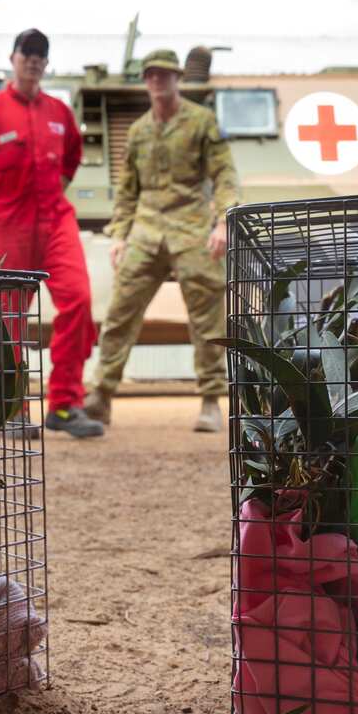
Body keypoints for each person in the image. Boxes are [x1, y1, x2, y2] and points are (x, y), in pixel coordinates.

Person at [0, 28, 104, 438]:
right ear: (13, 58)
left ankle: (66, 406)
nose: (34, 59)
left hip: (55, 219)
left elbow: (70, 161)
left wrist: (48, 197)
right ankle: (12, 408)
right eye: (27, 51)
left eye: (41, 53)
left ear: (46, 63)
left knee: (79, 300)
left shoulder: (60, 113)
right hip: (6, 222)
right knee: (10, 319)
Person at [83, 49, 241, 433]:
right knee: (120, 313)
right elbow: (127, 191)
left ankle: (209, 400)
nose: (158, 81)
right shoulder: (138, 131)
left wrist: (224, 222)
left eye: (165, 75)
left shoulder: (202, 122)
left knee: (207, 319)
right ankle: (101, 396)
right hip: (147, 231)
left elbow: (224, 175)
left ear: (176, 79)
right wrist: (119, 235)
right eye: (152, 75)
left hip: (192, 230)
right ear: (147, 80)